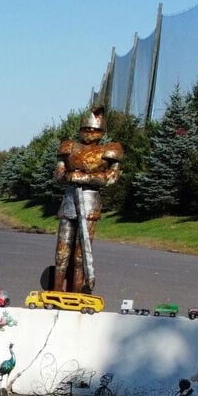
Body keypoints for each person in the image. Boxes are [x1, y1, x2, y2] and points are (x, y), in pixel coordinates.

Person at [51, 107, 123, 293]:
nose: (90, 132)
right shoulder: (69, 147)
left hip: (90, 202)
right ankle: (56, 290)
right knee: (62, 252)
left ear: (102, 131)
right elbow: (58, 174)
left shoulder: (109, 150)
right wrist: (68, 175)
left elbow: (112, 177)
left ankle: (76, 292)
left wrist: (87, 178)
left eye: (95, 129)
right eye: (87, 129)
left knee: (81, 254)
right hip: (70, 201)